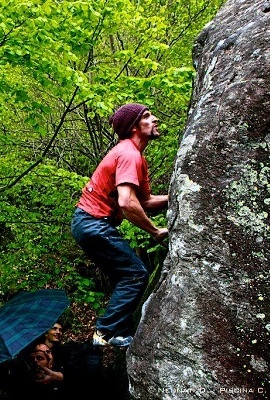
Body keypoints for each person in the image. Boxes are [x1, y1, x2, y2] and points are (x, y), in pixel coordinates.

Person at [71, 103, 169, 347]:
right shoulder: (128, 154)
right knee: (136, 274)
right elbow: (127, 202)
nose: (154, 119)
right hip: (93, 223)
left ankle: (116, 332)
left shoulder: (135, 157)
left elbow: (145, 201)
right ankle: (103, 334)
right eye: (147, 117)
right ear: (134, 127)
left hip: (88, 223)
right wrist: (154, 231)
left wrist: (178, 196)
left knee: (125, 277)